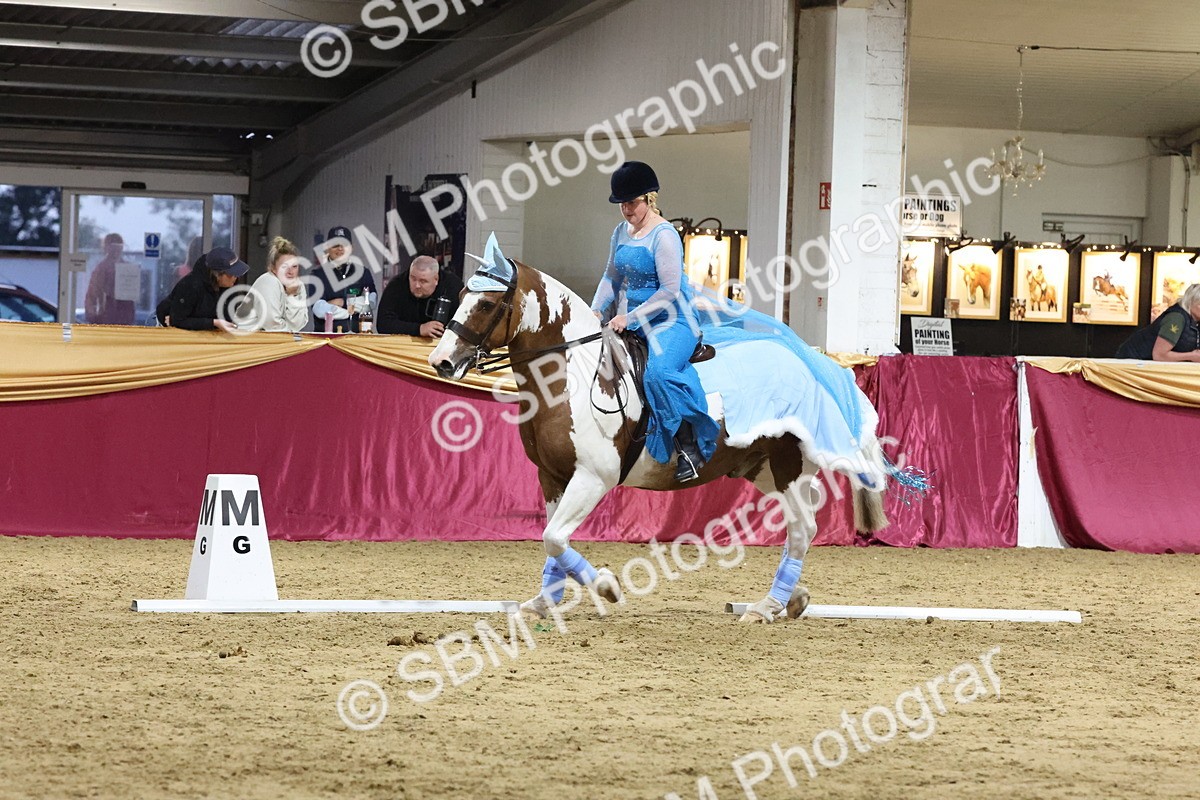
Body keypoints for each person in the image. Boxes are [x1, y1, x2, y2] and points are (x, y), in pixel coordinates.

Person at [590, 161, 719, 483]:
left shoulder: (664, 235)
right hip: (630, 319)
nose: (626, 209)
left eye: (631, 202)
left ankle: (689, 444)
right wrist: (595, 309)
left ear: (649, 198)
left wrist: (629, 317)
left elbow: (670, 290)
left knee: (658, 373)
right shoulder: (620, 231)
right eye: (621, 203)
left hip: (672, 319)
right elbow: (611, 276)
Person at [159, 247, 248, 332]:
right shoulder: (190, 285)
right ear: (217, 275)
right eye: (231, 274)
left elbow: (226, 318)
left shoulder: (230, 286)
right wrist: (214, 322)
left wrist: (216, 323)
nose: (235, 277)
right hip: (163, 322)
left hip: (198, 327)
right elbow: (178, 321)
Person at [377, 254, 463, 337]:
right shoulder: (397, 285)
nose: (417, 285)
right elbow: (383, 324)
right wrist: (419, 329)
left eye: (423, 281)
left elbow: (463, 324)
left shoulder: (453, 287)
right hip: (404, 345)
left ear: (436, 279)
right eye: (413, 279)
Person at [237, 236, 309, 332]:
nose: (290, 272)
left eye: (294, 266)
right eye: (284, 266)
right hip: (245, 338)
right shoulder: (269, 281)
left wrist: (292, 296)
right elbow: (271, 325)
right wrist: (291, 334)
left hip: (274, 339)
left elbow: (297, 325)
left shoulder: (298, 285)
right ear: (273, 268)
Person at [310, 225, 376, 328]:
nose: (340, 249)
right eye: (335, 245)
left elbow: (371, 302)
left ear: (352, 248)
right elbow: (320, 310)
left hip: (356, 338)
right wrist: (352, 310)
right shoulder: (317, 275)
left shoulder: (363, 273)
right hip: (326, 339)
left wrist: (343, 302)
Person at [1116, 282, 1200, 361]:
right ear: (1190, 302)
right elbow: (1159, 355)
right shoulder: (1176, 318)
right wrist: (1191, 356)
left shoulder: (1194, 321)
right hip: (1135, 364)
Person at [84, 233, 136, 325]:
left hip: (124, 319)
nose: (115, 249)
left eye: (118, 246)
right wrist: (93, 316)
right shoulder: (100, 269)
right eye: (112, 246)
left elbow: (131, 298)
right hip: (104, 319)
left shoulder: (128, 269)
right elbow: (91, 296)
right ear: (106, 247)